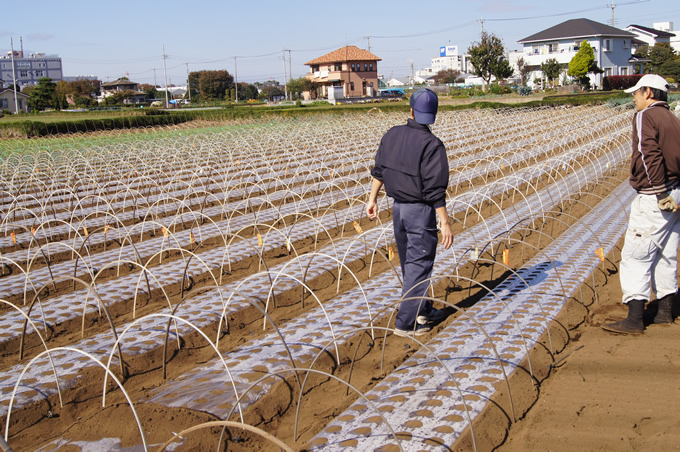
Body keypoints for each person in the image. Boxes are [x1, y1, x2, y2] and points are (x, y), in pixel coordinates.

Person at [366, 88, 454, 337]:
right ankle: (405, 323)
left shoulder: (392, 134)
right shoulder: (432, 145)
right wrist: (445, 222)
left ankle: (422, 309)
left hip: (399, 211)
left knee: (410, 264)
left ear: (411, 111)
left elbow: (379, 170)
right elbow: (435, 189)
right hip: (419, 213)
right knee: (419, 265)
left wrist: (372, 199)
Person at [602, 74, 680, 334]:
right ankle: (665, 311)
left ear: (648, 93)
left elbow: (649, 155)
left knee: (636, 255)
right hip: (675, 192)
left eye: (636, 93)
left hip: (655, 197)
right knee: (665, 253)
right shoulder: (671, 118)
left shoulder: (645, 116)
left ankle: (635, 319)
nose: (634, 98)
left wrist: (659, 193)